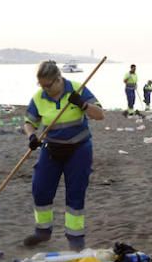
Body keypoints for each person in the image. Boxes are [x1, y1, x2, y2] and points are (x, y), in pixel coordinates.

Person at [22, 60, 104, 250]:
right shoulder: (39, 97)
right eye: (41, 85)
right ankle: (42, 232)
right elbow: (29, 121)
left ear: (58, 79)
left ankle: (75, 239)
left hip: (79, 149)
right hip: (51, 148)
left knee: (75, 193)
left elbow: (100, 115)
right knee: (40, 188)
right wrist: (32, 135)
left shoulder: (78, 89)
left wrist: (82, 104)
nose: (45, 89)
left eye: (48, 85)